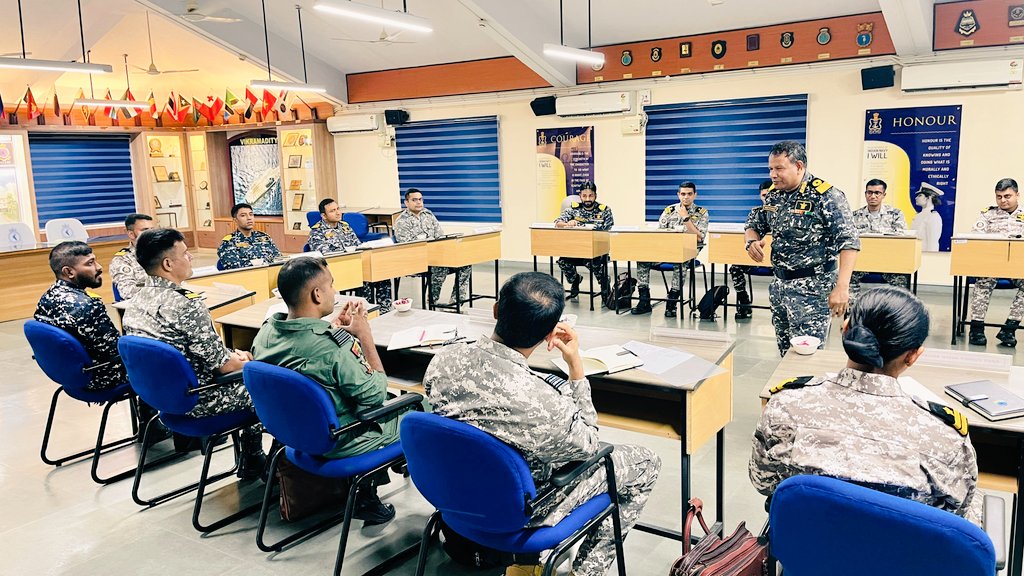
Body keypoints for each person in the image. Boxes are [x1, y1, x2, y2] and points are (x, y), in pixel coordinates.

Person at [424, 272, 660, 576]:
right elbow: (587, 445)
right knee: (646, 461)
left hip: (455, 495)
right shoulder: (540, 403)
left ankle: (524, 564)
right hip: (519, 510)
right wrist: (576, 368)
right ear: (550, 332)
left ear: (496, 310)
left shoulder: (444, 359)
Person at [750, 286, 982, 526]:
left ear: (846, 329)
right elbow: (958, 515)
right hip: (901, 561)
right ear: (913, 356)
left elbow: (763, 482)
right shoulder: (945, 437)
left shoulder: (786, 406)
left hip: (806, 558)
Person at [251, 257, 398, 524]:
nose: (334, 292)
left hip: (292, 433)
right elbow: (375, 396)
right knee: (416, 407)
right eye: (331, 285)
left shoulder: (265, 334)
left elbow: (304, 351)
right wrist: (364, 336)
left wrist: (328, 326)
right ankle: (366, 493)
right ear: (317, 294)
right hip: (339, 440)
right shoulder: (332, 348)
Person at [123, 228, 266, 479]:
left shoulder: (135, 300)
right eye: (185, 253)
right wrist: (246, 361)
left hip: (160, 398)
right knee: (270, 383)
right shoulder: (185, 304)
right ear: (168, 263)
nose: (190, 258)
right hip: (200, 399)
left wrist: (232, 358)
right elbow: (223, 366)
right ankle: (260, 460)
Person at [745, 141, 860, 356]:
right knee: (785, 352)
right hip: (780, 286)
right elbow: (755, 223)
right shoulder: (774, 194)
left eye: (779, 168)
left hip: (812, 290)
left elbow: (849, 241)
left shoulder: (826, 196)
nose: (773, 174)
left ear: (799, 166)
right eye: (770, 169)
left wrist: (842, 287)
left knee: (807, 356)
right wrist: (751, 241)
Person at [35, 241, 125, 391]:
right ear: (69, 272)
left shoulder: (47, 298)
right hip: (101, 378)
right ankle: (151, 414)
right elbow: (116, 350)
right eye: (90, 263)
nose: (99, 267)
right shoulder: (86, 306)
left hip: (69, 375)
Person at [631, 181, 708, 317]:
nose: (686, 197)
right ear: (678, 195)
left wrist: (685, 218)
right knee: (642, 258)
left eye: (689, 194)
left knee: (681, 263)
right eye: (683, 194)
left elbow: (699, 238)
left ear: (695, 195)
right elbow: (660, 234)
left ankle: (672, 303)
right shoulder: (669, 210)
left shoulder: (701, 213)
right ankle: (644, 300)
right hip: (666, 250)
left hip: (688, 251)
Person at [308, 198, 393, 313]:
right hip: (336, 268)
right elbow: (324, 255)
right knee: (363, 279)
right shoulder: (317, 231)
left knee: (381, 274)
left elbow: (358, 245)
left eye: (338, 209)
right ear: (324, 215)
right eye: (332, 211)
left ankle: (384, 309)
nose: (338, 213)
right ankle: (364, 311)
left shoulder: (345, 226)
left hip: (355, 264)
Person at [968, 178, 1024, 347]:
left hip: (1017, 267)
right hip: (991, 265)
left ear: (1017, 195)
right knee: (982, 282)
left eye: (1007, 196)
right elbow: (976, 236)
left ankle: (1009, 328)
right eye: (999, 197)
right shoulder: (988, 214)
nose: (1003, 200)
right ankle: (976, 328)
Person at [393, 188, 472, 306]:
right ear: (406, 203)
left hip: (436, 255)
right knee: (440, 267)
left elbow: (440, 236)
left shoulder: (428, 215)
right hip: (415, 260)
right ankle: (432, 302)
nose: (419, 202)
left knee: (465, 263)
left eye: (420, 199)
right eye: (414, 200)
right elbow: (408, 247)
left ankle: (456, 301)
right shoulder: (402, 221)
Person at [849, 179, 910, 307]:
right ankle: (853, 314)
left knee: (901, 282)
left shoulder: (895, 215)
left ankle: (895, 314)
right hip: (862, 263)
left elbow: (901, 241)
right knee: (847, 276)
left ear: (884, 195)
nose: (873, 196)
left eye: (877, 193)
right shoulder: (854, 216)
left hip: (890, 264)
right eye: (869, 192)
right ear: (865, 194)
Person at [554, 181, 615, 306]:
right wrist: (567, 224)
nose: (587, 199)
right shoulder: (573, 209)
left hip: (597, 250)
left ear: (595, 196)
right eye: (584, 196)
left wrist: (579, 224)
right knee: (563, 261)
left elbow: (605, 228)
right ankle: (575, 279)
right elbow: (557, 222)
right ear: (580, 195)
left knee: (593, 262)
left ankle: (604, 285)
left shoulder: (604, 210)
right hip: (575, 249)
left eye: (590, 196)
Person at [730, 180, 772, 320]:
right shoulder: (756, 212)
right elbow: (749, 231)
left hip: (778, 260)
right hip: (758, 256)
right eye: (764, 195)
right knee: (735, 267)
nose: (767, 198)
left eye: (770, 194)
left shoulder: (786, 212)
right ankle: (744, 302)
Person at [217, 203, 281, 270]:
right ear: (235, 220)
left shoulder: (264, 236)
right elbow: (234, 266)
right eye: (243, 215)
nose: (249, 218)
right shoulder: (229, 242)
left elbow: (278, 258)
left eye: (251, 214)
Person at [110, 213, 155, 300]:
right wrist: (160, 293)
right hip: (144, 306)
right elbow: (127, 292)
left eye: (152, 229)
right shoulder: (122, 259)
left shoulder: (162, 252)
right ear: (131, 234)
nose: (151, 234)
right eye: (145, 230)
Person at [911, 182, 944, 252]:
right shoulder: (918, 216)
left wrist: (930, 259)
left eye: (920, 195)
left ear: (929, 197)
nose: (916, 198)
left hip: (925, 256)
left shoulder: (933, 217)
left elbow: (933, 243)